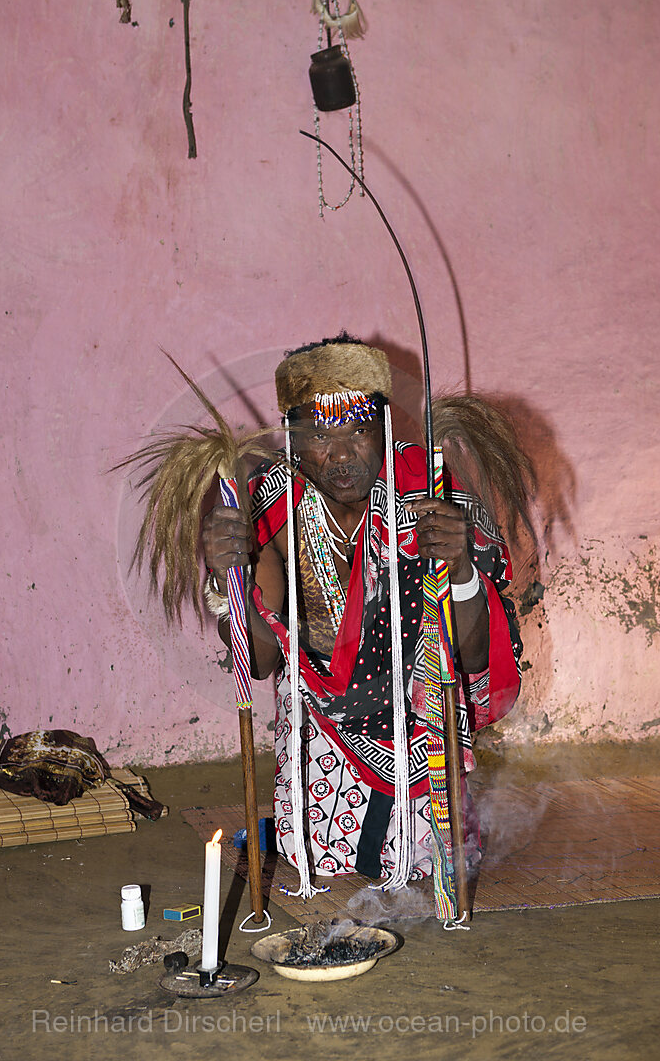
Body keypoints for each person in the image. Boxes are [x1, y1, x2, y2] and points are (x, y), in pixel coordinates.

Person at [201, 334, 528, 907]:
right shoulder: (271, 509)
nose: (343, 453)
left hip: (418, 726)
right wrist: (232, 576)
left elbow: (476, 658)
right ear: (293, 440)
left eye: (357, 428)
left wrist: (460, 565)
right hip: (318, 734)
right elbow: (262, 660)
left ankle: (439, 811)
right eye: (320, 434)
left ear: (382, 424)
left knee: (421, 860)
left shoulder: (430, 490)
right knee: (312, 855)